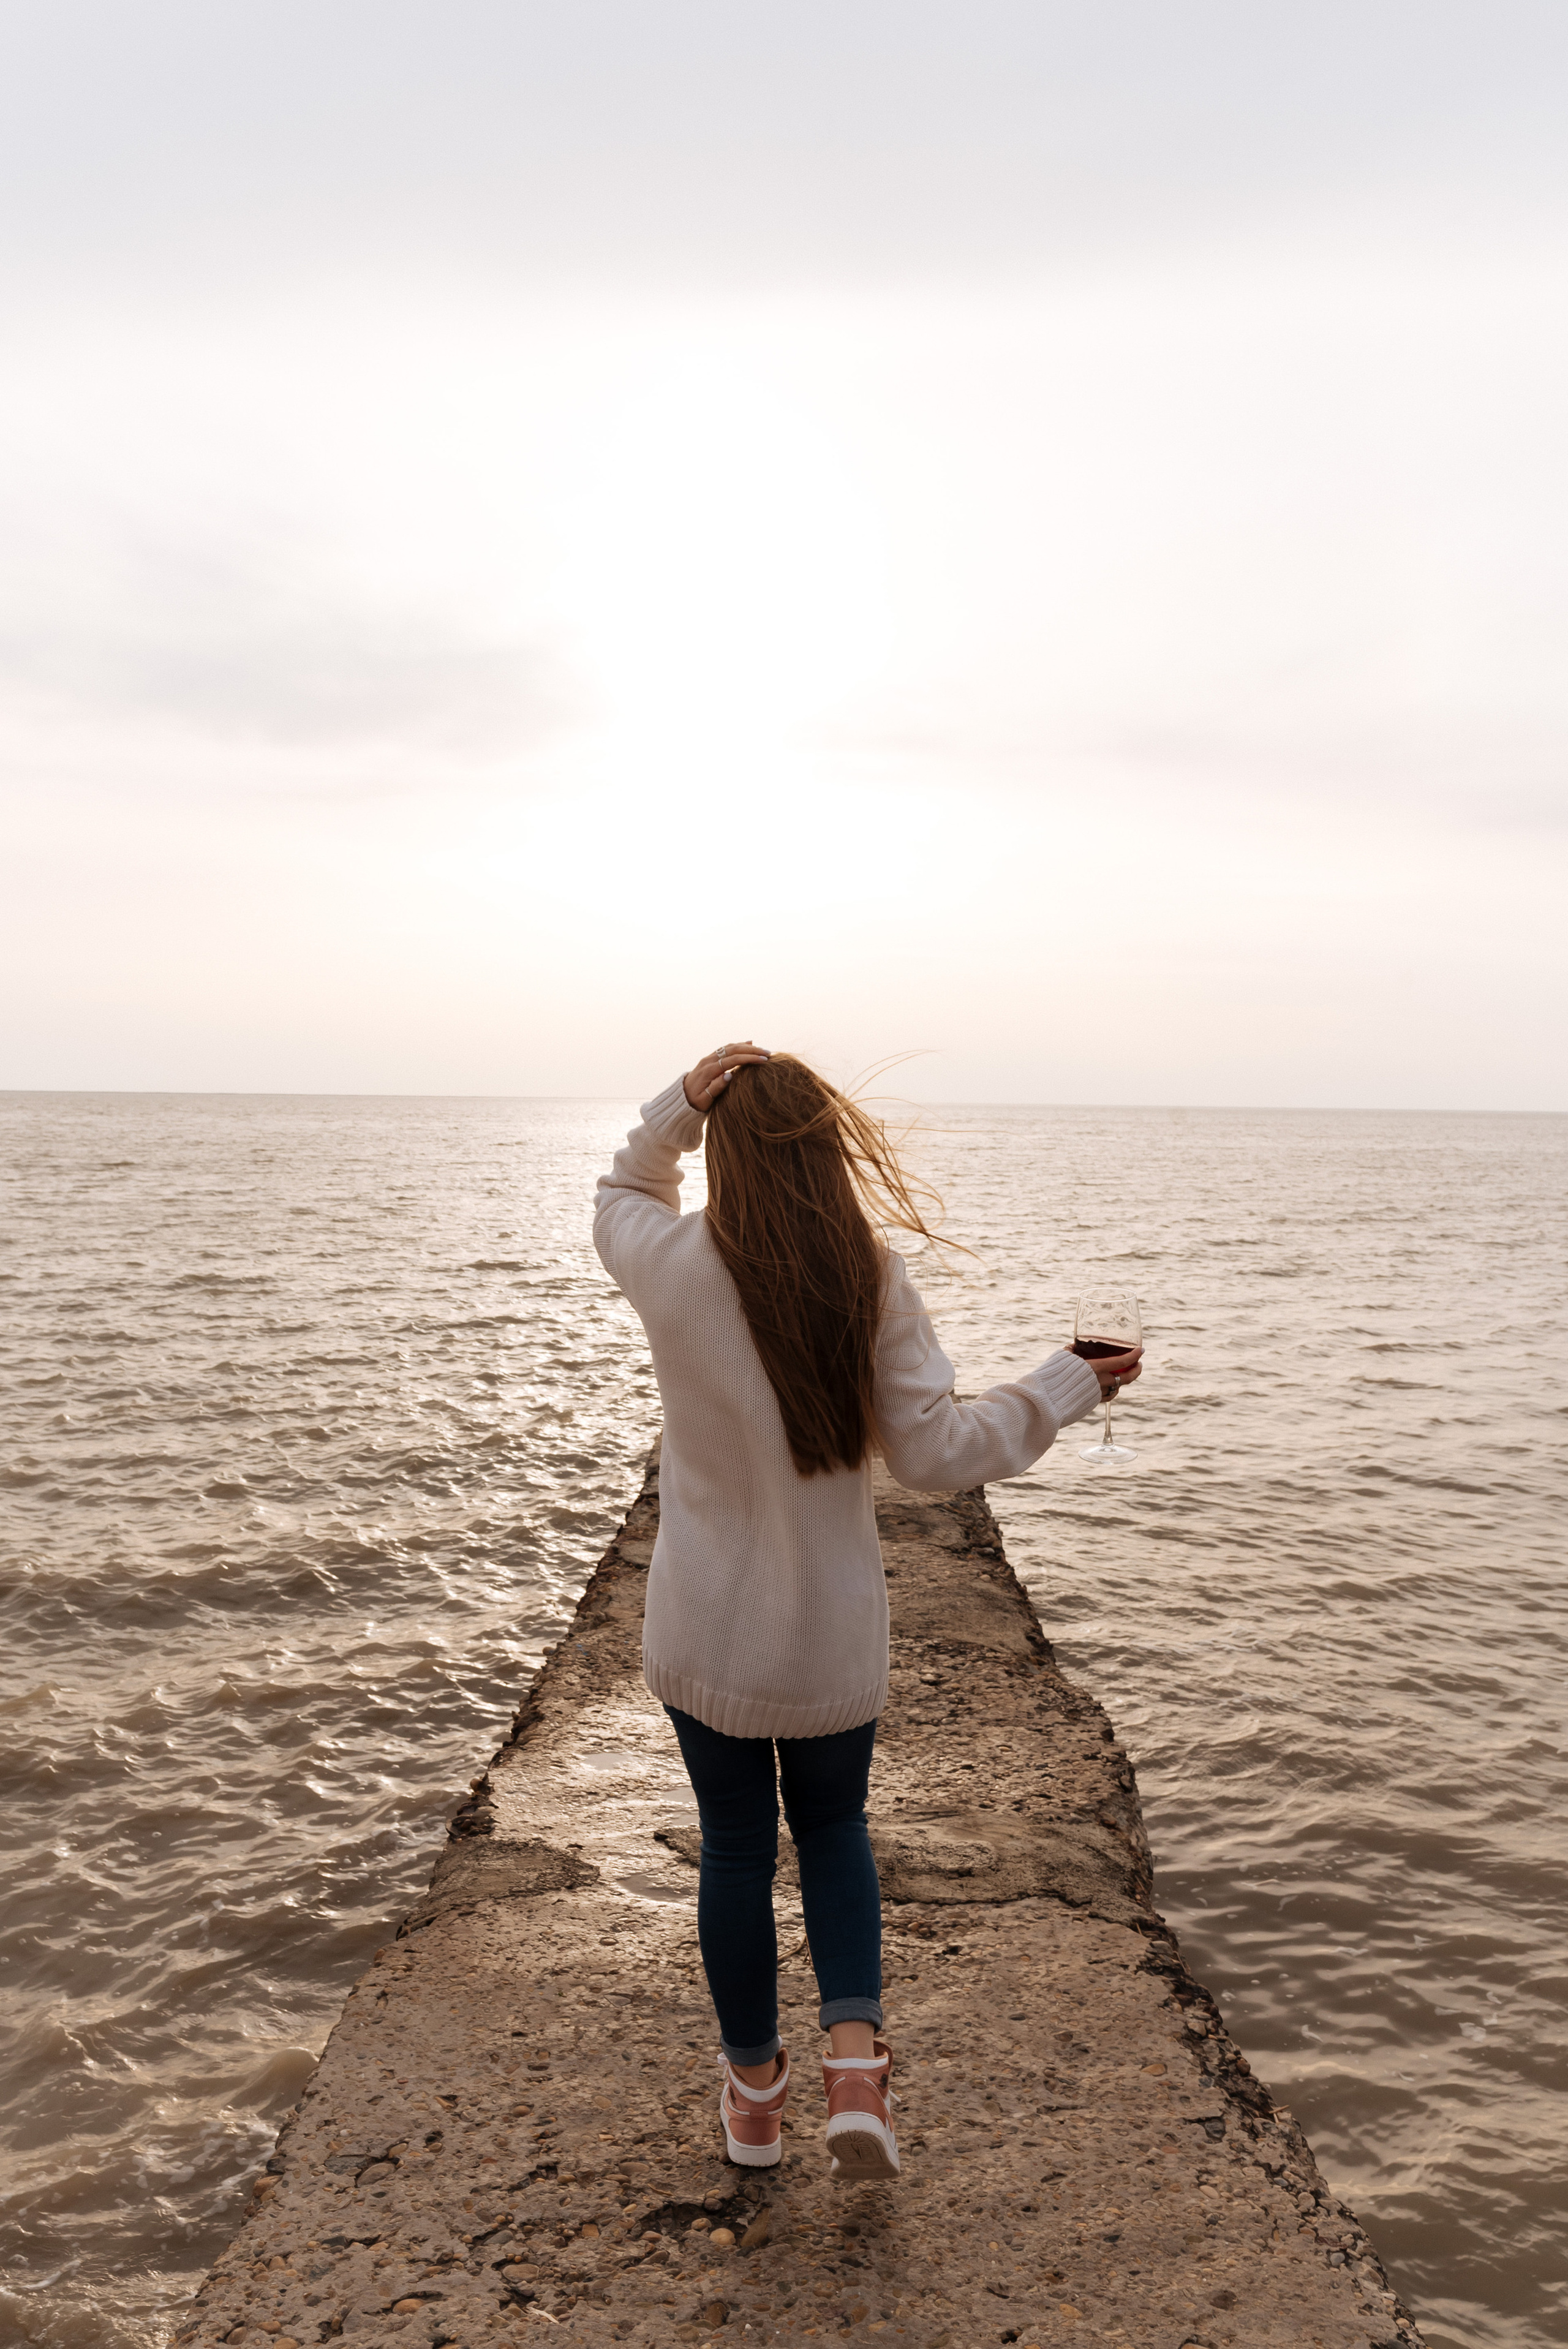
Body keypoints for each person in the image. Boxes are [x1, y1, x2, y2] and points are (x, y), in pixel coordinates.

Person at [592, 1043, 1142, 2181]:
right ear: (832, 1151)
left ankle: (755, 2103)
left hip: (704, 1630)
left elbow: (620, 1191)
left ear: (726, 1153)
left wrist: (679, 1107)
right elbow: (939, 1453)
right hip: (829, 1637)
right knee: (835, 1833)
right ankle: (856, 2071)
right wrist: (1066, 1380)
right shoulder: (871, 1274)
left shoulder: (669, 1263)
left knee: (736, 1853)